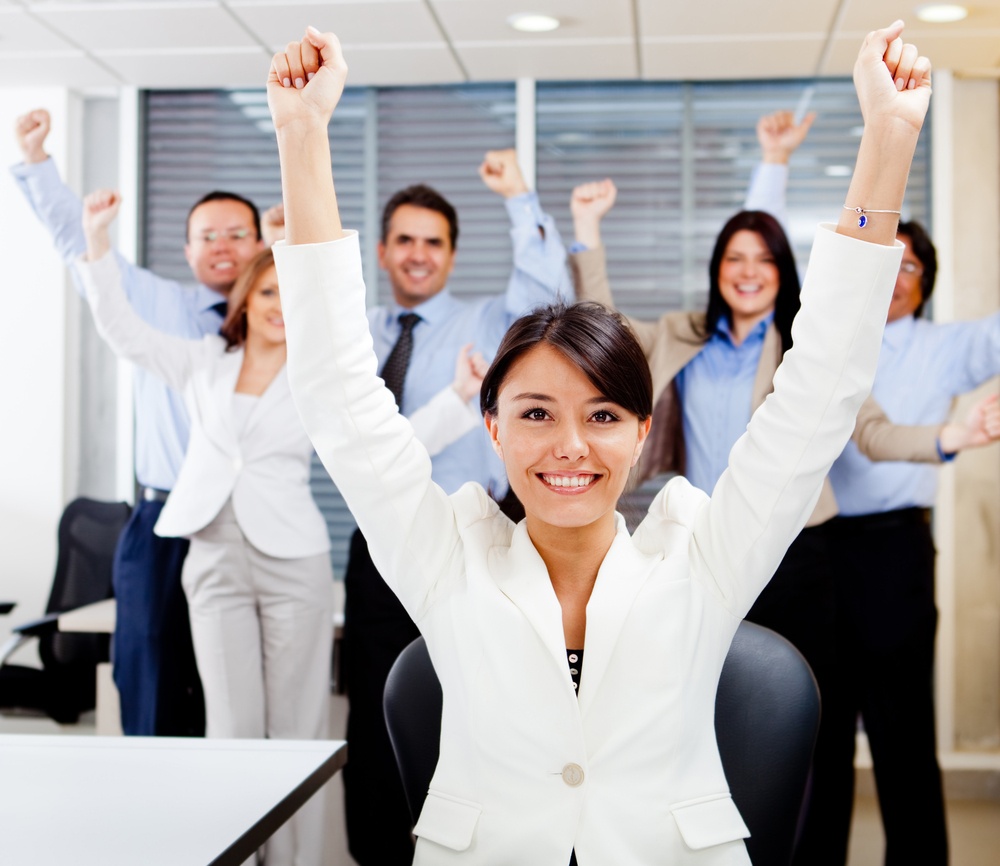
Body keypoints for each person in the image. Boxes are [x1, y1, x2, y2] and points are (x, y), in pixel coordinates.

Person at [267, 20, 929, 865]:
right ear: (492, 426)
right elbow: (337, 392)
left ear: (643, 431)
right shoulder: (445, 558)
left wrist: (889, 136)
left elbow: (823, 380)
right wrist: (302, 132)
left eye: (604, 416)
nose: (569, 445)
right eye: (537, 413)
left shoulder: (705, 558)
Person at [73, 187, 487, 866]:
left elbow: (393, 442)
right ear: (247, 300)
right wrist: (95, 241)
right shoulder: (205, 364)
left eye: (289, 297)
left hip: (291, 561)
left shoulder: (316, 383)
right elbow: (122, 329)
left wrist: (460, 397)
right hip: (212, 557)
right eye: (266, 293)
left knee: (294, 732)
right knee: (231, 730)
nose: (277, 307)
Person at [746, 110, 1000, 866]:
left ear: (924, 283)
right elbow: (764, 256)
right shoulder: (818, 332)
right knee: (814, 731)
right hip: (812, 552)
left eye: (906, 266)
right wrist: (774, 158)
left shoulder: (948, 347)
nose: (889, 276)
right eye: (878, 262)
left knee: (901, 735)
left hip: (892, 554)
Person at [11, 109, 275, 735]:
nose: (222, 246)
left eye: (237, 233)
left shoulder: (283, 321)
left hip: (247, 518)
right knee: (151, 681)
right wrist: (37, 159)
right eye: (207, 235)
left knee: (236, 698)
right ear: (187, 250)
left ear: (260, 245)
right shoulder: (156, 302)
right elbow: (82, 246)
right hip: (162, 519)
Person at [338, 151, 570, 860]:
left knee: (476, 708)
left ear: (452, 254)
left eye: (433, 242)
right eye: (404, 240)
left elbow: (544, 285)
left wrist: (519, 197)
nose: (418, 255)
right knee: (376, 715)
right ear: (382, 251)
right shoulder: (359, 332)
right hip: (379, 545)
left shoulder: (487, 322)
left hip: (473, 539)